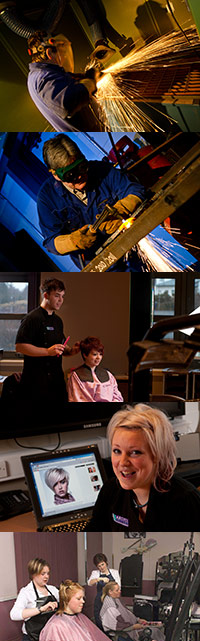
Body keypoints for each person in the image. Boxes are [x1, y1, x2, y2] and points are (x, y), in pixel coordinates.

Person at [37, 134, 145, 272]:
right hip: (100, 262)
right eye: (71, 174)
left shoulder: (101, 170)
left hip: (129, 245)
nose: (80, 176)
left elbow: (135, 189)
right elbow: (51, 242)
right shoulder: (47, 198)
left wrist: (120, 210)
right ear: (55, 175)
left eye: (82, 167)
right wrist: (73, 241)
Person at [88, 403, 200, 532]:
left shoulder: (186, 501)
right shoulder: (110, 491)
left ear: (158, 454)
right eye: (117, 451)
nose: (123, 462)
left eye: (135, 452)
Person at [15, 277, 79, 425]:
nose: (61, 300)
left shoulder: (58, 321)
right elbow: (20, 346)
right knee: (36, 422)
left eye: (62, 296)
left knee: (58, 421)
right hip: (35, 382)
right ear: (46, 295)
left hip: (56, 381)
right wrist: (47, 351)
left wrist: (72, 351)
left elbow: (60, 346)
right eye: (57, 296)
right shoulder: (32, 318)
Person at [39, 579, 137, 641]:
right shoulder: (55, 626)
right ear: (66, 600)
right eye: (79, 598)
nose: (83, 601)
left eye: (83, 598)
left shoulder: (81, 617)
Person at [27, 32, 104, 132]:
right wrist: (90, 83)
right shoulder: (43, 77)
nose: (65, 56)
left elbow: (64, 85)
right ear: (49, 53)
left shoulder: (41, 74)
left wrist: (84, 78)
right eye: (62, 50)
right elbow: (66, 102)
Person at [10, 558, 59, 641]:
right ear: (33, 574)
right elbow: (14, 614)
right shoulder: (26, 592)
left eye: (47, 573)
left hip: (49, 638)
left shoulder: (53, 590)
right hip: (32, 639)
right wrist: (40, 609)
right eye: (43, 573)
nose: (46, 576)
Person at [100, 582, 165, 641]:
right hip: (124, 632)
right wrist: (133, 627)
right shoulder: (110, 607)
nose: (120, 591)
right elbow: (117, 626)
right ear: (110, 592)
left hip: (131, 626)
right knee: (153, 631)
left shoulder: (117, 600)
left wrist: (138, 620)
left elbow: (127, 613)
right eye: (117, 590)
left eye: (119, 589)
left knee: (157, 628)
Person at [68, 336, 123, 402]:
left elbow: (117, 396)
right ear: (85, 355)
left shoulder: (108, 375)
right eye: (94, 354)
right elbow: (77, 399)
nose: (98, 357)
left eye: (100, 354)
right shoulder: (76, 376)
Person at [88, 552, 120, 628]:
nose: (101, 567)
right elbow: (89, 583)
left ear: (106, 563)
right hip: (100, 600)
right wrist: (99, 579)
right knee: (99, 619)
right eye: (99, 566)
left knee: (112, 619)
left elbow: (119, 586)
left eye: (102, 564)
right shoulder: (95, 573)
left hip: (112, 600)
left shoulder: (114, 572)